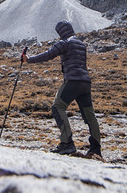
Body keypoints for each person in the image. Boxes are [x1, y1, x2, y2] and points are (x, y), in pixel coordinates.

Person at [22, 20, 102, 157]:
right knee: (90, 116)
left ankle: (67, 144)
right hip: (85, 83)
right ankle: (96, 148)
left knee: (57, 107)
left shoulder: (64, 43)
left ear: (60, 32)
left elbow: (48, 55)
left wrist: (28, 59)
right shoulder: (81, 44)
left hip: (72, 81)